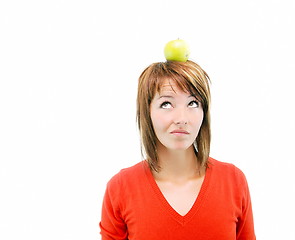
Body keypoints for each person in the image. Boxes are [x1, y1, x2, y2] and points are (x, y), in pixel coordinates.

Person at [99, 60, 256, 240]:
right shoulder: (120, 188)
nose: (182, 118)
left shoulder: (233, 181)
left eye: (193, 103)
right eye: (166, 103)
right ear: (147, 112)